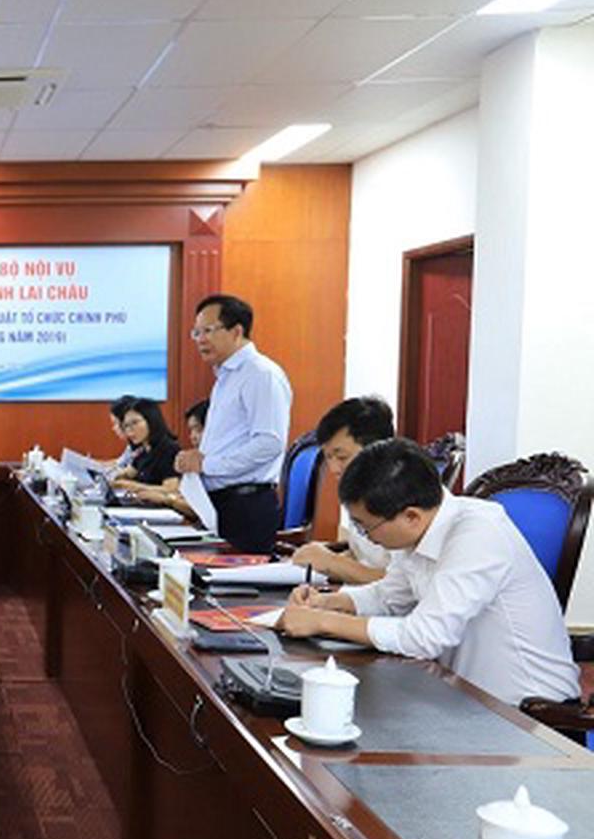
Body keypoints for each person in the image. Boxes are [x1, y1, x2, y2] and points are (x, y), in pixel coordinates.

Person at [280, 439, 579, 706]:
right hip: (459, 697)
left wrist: (323, 622)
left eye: (365, 527)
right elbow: (390, 596)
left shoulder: (478, 535)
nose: (365, 536)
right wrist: (330, 602)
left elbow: (425, 636)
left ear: (410, 516)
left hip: (529, 715)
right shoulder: (419, 528)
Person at [174, 294, 293, 553]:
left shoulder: (260, 374)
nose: (200, 339)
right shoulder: (226, 377)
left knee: (237, 579)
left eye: (208, 331)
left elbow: (269, 443)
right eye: (196, 333)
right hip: (220, 503)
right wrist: (196, 459)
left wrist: (207, 464)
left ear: (237, 331)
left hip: (246, 506)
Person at [289, 396, 396, 585]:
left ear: (376, 450)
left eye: (342, 457)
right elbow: (361, 556)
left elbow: (400, 585)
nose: (333, 469)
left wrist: (331, 562)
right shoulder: (358, 493)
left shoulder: (402, 497)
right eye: (328, 457)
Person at [110, 398, 180, 493]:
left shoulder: (169, 449)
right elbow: (128, 473)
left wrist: (133, 486)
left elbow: (170, 489)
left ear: (151, 420)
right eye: (126, 425)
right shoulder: (143, 449)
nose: (129, 430)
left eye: (135, 423)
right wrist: (113, 478)